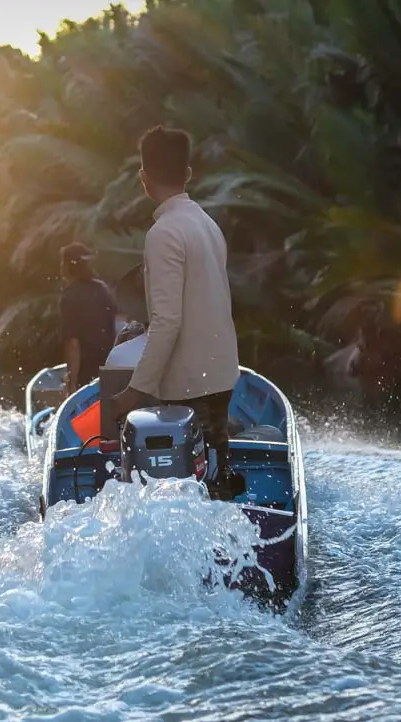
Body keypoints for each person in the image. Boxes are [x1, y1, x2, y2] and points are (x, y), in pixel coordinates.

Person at [106, 125, 243, 499]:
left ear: (144, 179)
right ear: (187, 174)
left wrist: (134, 392)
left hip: (187, 382)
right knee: (216, 470)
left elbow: (167, 321)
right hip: (221, 372)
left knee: (182, 488)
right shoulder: (208, 225)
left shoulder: (164, 232)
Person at [58, 242, 118, 395]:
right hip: (109, 365)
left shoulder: (69, 296)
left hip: (87, 370)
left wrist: (71, 383)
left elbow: (73, 344)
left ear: (66, 266)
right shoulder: (103, 289)